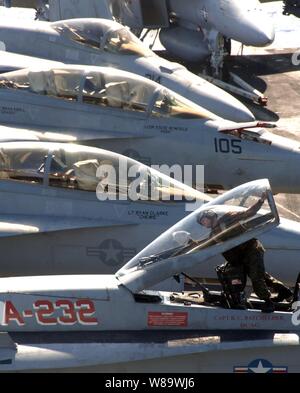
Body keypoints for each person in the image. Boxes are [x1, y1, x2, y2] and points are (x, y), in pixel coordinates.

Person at [197, 193, 293, 313]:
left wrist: (261, 200)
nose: (204, 224)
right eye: (202, 223)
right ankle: (284, 291)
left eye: (204, 220)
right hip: (241, 257)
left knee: (256, 277)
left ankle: (268, 303)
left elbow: (249, 213)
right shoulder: (214, 235)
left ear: (210, 216)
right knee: (261, 274)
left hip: (252, 249)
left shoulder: (228, 218)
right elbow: (205, 244)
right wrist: (191, 243)